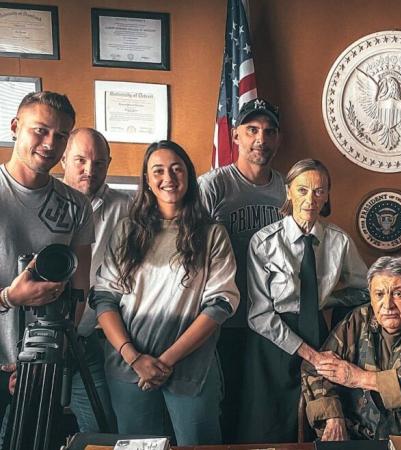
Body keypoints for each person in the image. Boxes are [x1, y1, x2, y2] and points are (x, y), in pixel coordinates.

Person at [90, 140, 239, 445]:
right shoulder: (127, 231)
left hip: (191, 370)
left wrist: (166, 361)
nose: (168, 177)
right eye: (158, 170)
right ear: (146, 180)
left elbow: (221, 304)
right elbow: (105, 298)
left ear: (189, 175)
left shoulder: (212, 234)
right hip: (130, 369)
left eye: (176, 169)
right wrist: (134, 357)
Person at [237, 159, 368, 443]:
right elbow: (259, 314)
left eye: (320, 191)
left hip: (319, 334)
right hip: (272, 342)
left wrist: (328, 298)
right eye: (303, 190)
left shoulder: (339, 242)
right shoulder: (263, 242)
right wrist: (311, 355)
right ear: (289, 192)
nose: (311, 199)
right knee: (266, 426)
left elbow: (366, 290)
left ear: (327, 196)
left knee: (316, 422)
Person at [0, 92, 93, 441]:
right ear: (15, 127)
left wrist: (52, 356)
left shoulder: (77, 205)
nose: (50, 143)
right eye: (40, 130)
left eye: (61, 135)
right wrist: (10, 297)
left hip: (43, 362)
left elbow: (79, 291)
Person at [198, 98, 285, 442]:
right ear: (235, 135)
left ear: (278, 139)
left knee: (263, 408)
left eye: (269, 131)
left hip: (272, 319)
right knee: (226, 405)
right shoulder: (213, 185)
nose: (260, 139)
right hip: (225, 319)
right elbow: (193, 251)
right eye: (252, 130)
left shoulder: (286, 188)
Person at [301, 256, 401, 440]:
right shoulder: (357, 320)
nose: (387, 305)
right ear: (370, 296)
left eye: (398, 294)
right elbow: (314, 367)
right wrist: (333, 416)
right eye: (379, 294)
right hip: (357, 436)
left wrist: (360, 378)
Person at [61, 128, 128, 433]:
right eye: (81, 160)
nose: (90, 170)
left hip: (87, 339)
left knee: (101, 429)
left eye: (99, 163)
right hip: (33, 342)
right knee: (19, 427)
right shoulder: (46, 202)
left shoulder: (126, 208)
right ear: (63, 158)